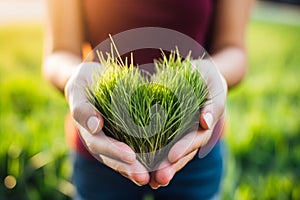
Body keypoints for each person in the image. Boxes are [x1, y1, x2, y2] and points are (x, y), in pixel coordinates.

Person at [42, 0, 253, 199]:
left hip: (195, 145)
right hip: (101, 143)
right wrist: (75, 77)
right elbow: (60, 52)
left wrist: (213, 73)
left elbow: (233, 48)